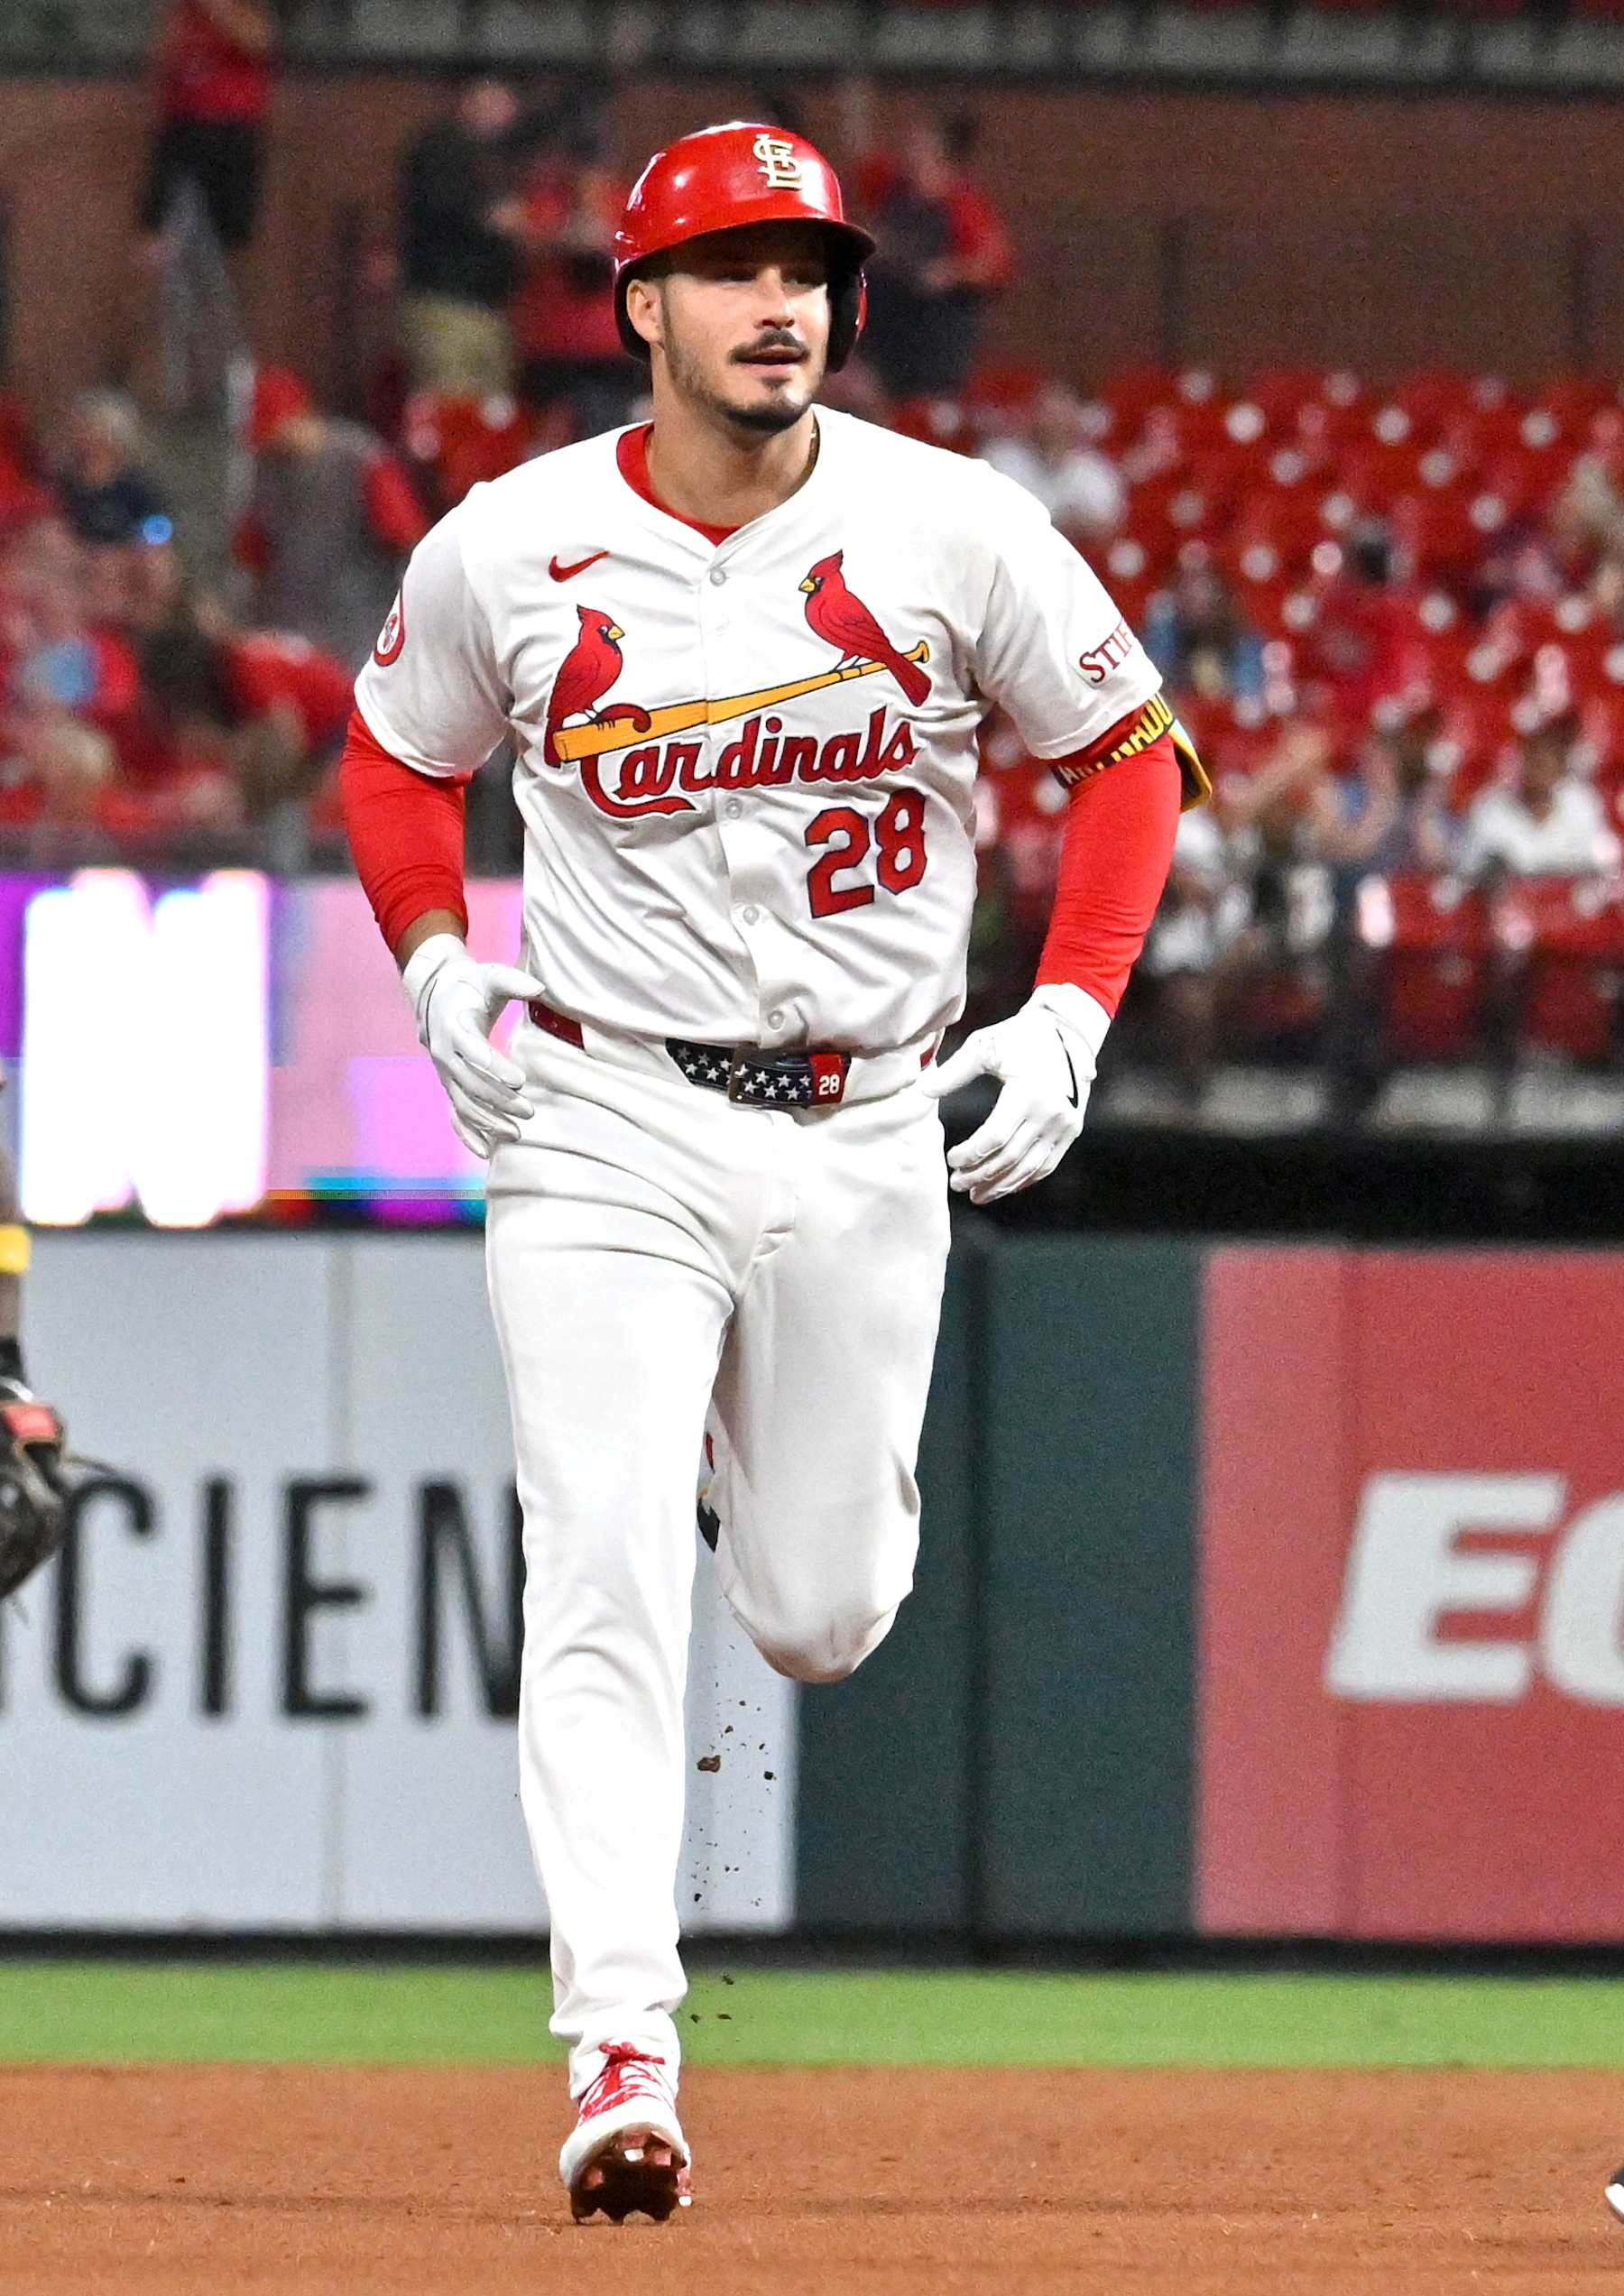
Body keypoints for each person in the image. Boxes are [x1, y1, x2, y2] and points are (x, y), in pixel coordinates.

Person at [341, 122, 1201, 2226]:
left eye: (807, 265)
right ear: (634, 304)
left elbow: (1126, 757)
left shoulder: (950, 527)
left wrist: (1075, 1004)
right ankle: (620, 2047)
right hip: (606, 1114)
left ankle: (756, 1456)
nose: (778, 302)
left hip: (866, 1112)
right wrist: (439, 959)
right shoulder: (511, 544)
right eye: (728, 267)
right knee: (603, 1566)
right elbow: (391, 751)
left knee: (816, 1609)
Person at [237, 367, 429, 670]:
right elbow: (253, 556)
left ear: (298, 416)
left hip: (362, 627)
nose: (271, 444)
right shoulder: (268, 475)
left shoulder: (360, 459)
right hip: (294, 631)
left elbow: (408, 538)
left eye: (274, 429)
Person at [852, 112, 1012, 401]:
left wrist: (948, 272)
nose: (911, 154)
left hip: (932, 335)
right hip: (885, 329)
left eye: (921, 147)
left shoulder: (963, 207)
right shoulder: (895, 191)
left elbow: (994, 265)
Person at [397, 78, 526, 399]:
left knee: (492, 414)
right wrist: (492, 215)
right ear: (470, 99)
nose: (505, 110)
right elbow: (443, 208)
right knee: (450, 408)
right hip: (445, 303)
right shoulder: (439, 149)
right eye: (495, 99)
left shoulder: (498, 157)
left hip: (490, 306)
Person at [136, 0, 275, 278]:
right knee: (157, 234)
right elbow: (161, 57)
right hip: (183, 126)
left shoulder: (240, 9)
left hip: (232, 128)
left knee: (233, 241)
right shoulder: (181, 14)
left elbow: (260, 41)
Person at [1459, 719, 1621, 881]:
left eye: (1547, 760)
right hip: (1512, 904)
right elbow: (1470, 878)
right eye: (1532, 757)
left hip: (1565, 903)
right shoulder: (1489, 809)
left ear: (1561, 767)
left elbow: (1605, 866)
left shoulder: (1581, 803)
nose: (1538, 770)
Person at [979, 382, 1124, 550]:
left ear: (1075, 420)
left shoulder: (1096, 471)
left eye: (1060, 415)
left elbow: (1107, 530)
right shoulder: (1001, 459)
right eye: (1047, 413)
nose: (1052, 424)